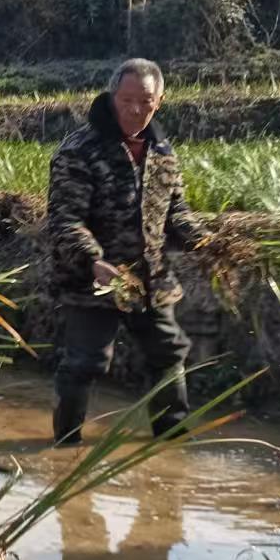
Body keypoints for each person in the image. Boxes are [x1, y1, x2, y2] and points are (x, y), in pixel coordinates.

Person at [46, 58, 207, 446]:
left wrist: (204, 240)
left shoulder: (163, 152)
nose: (136, 110)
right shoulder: (79, 150)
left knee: (168, 352)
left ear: (160, 101)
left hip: (151, 278)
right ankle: (64, 448)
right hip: (93, 280)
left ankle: (173, 442)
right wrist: (92, 260)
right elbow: (64, 219)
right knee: (86, 362)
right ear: (112, 97)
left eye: (145, 102)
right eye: (127, 100)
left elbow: (175, 212)